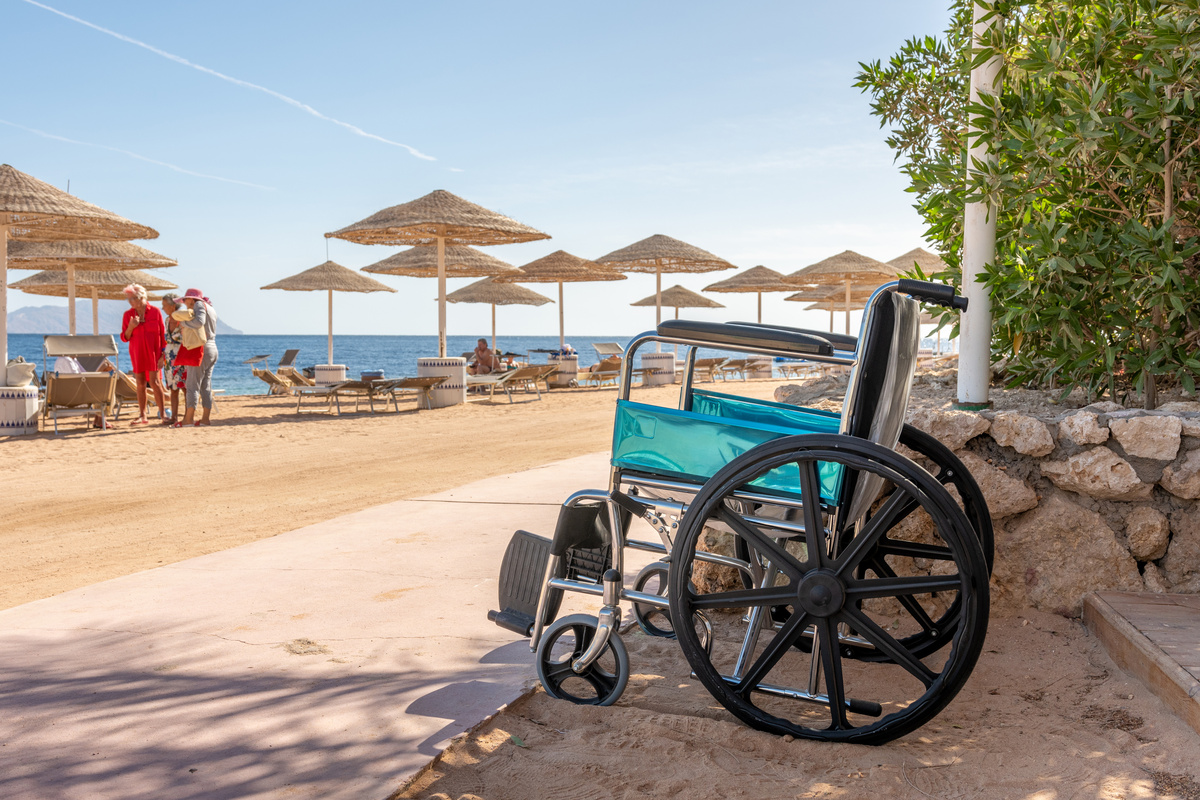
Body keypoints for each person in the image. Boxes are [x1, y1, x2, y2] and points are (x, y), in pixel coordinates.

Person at [171, 288, 219, 427]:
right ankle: (205, 419)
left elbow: (199, 322)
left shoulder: (198, 305)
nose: (185, 303)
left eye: (185, 300)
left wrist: (184, 324)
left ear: (192, 299)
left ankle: (188, 419)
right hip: (213, 348)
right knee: (206, 385)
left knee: (192, 385)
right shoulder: (210, 308)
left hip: (202, 349)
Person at [120, 283, 166, 426]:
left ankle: (163, 413)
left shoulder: (155, 312)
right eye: (128, 299)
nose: (130, 302)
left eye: (132, 298)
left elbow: (163, 336)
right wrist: (131, 326)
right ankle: (142, 415)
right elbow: (125, 337)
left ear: (140, 298)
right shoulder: (128, 315)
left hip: (154, 352)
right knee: (140, 384)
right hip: (137, 352)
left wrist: (162, 356)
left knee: (155, 382)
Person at [159, 293, 187, 424]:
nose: (163, 308)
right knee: (172, 388)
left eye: (165, 305)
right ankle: (174, 417)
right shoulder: (167, 320)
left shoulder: (183, 320)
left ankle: (188, 415)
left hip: (181, 355)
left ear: (173, 305)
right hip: (169, 358)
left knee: (185, 387)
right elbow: (166, 341)